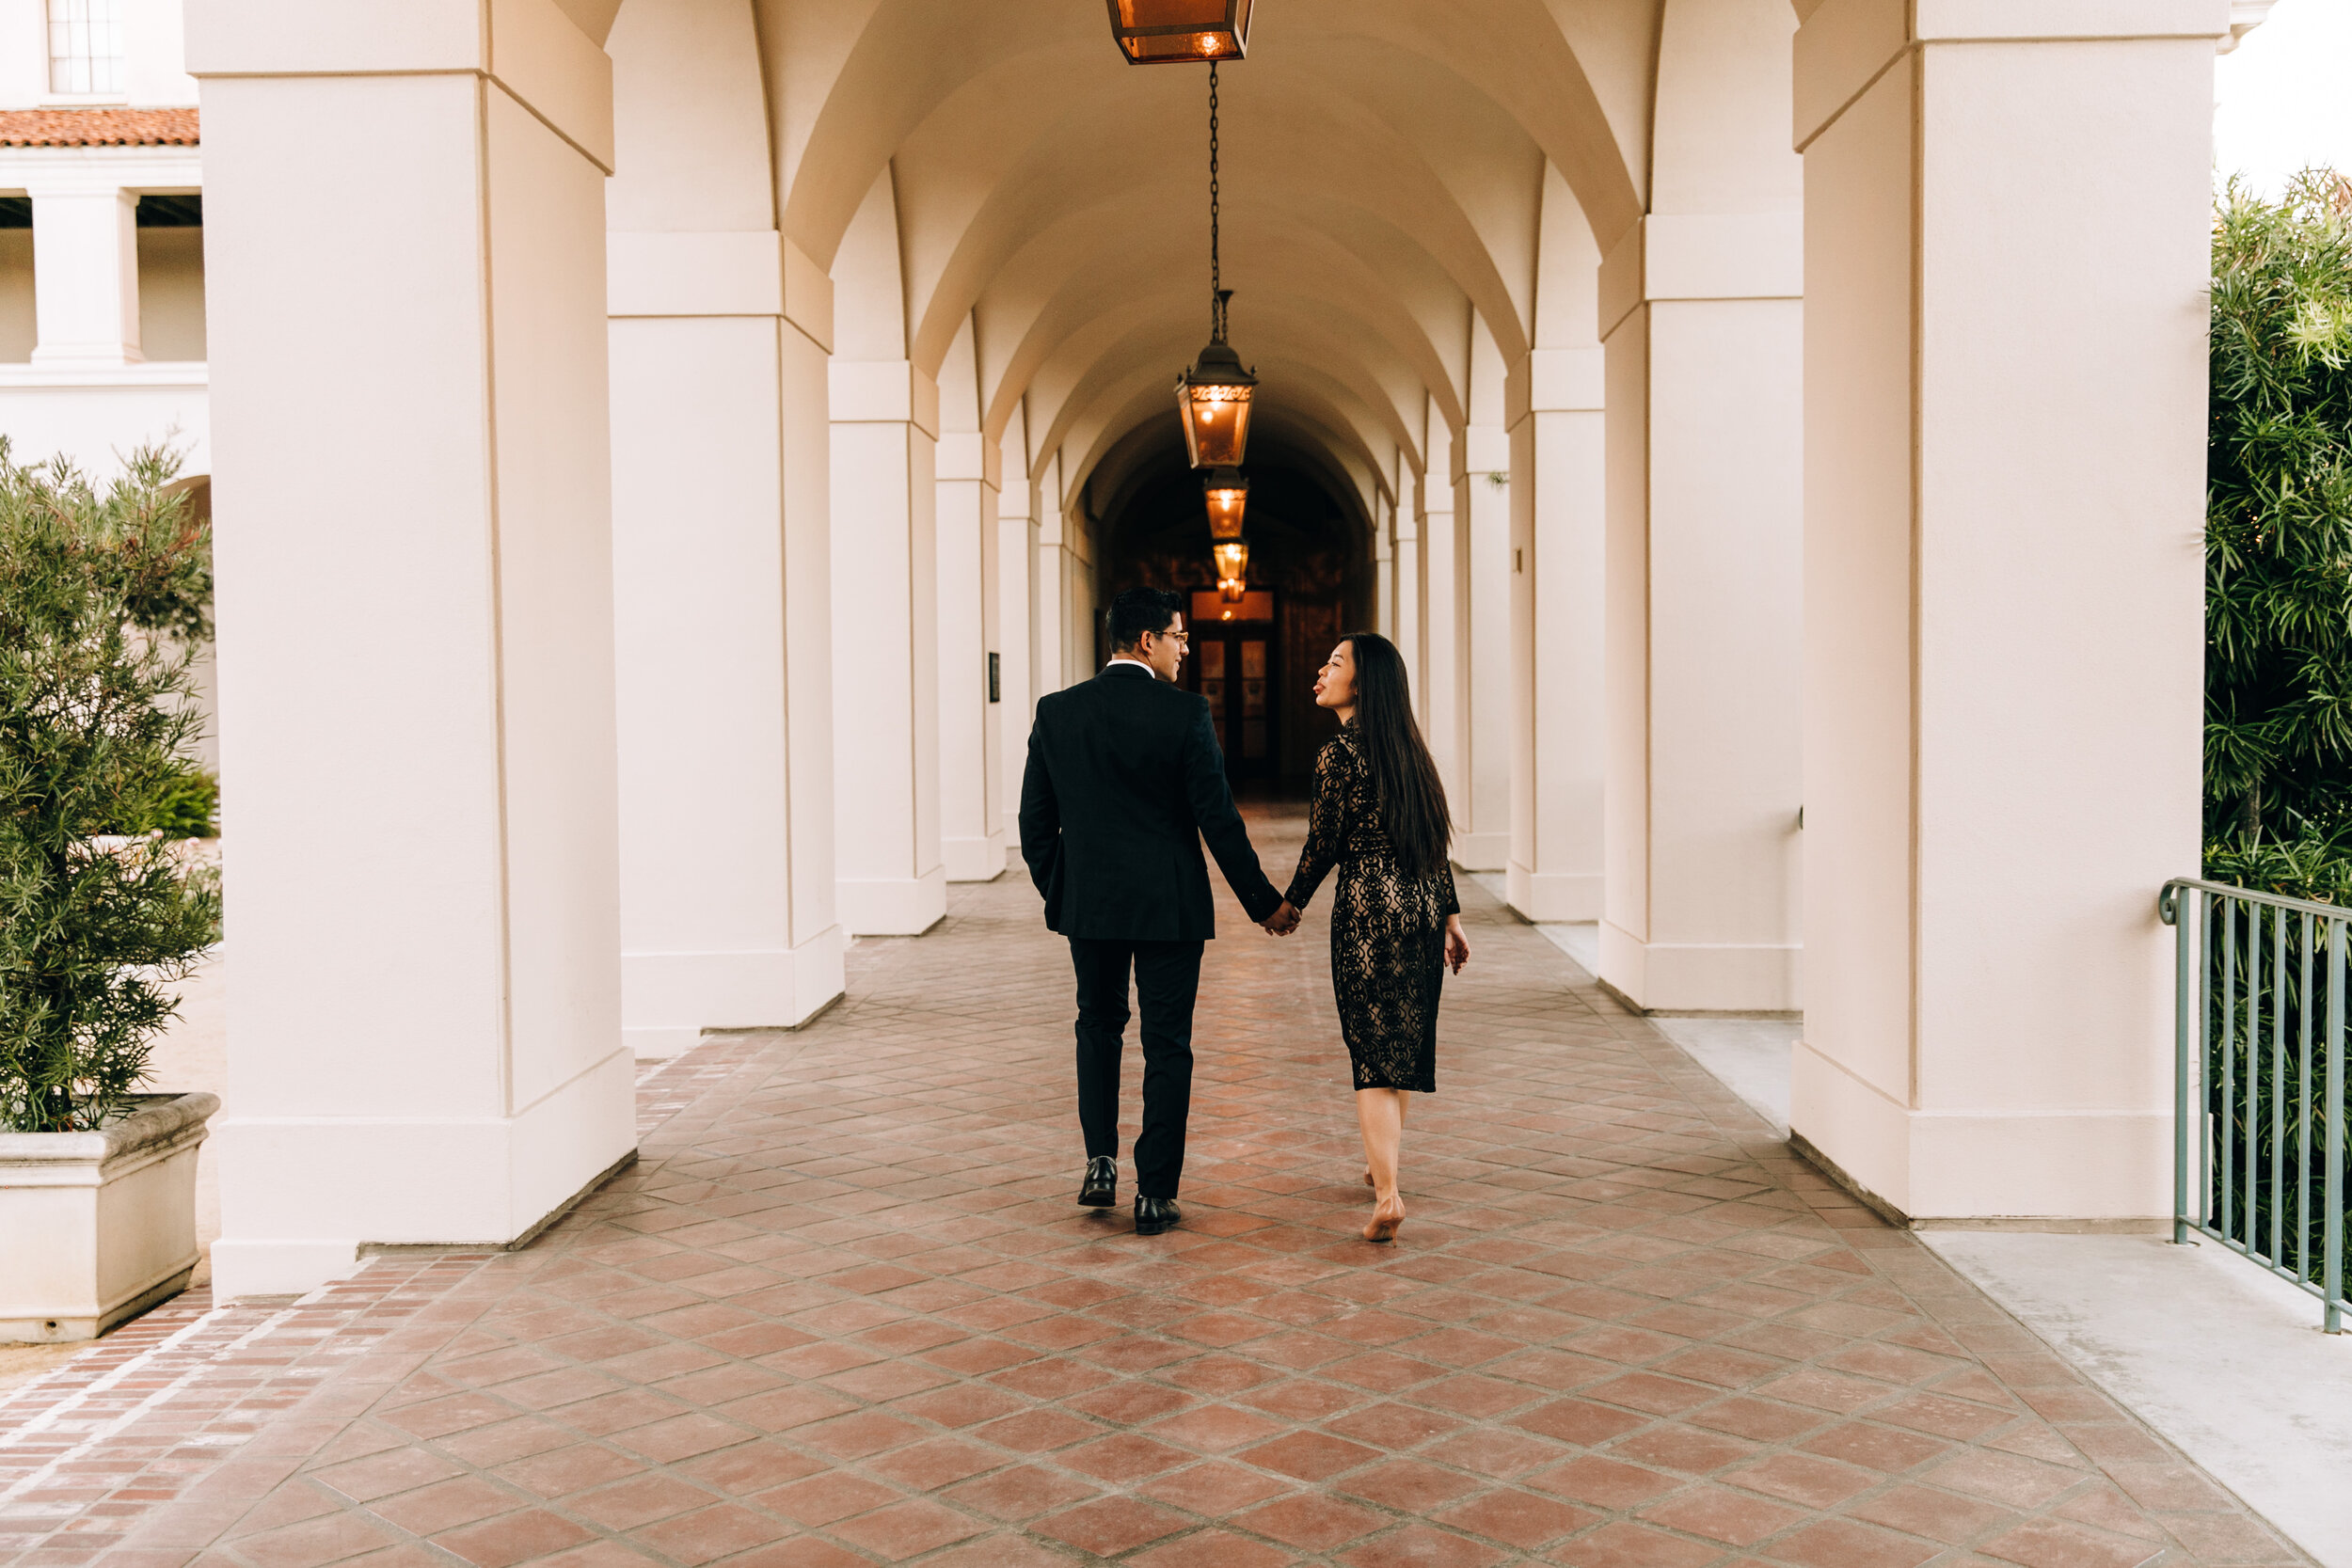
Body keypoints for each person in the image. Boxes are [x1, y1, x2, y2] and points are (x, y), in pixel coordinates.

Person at [1019, 586, 1293, 1236]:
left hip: (1091, 905)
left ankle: (1100, 1161)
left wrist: (1065, 890)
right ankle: (1155, 1193)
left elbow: (1035, 823)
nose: (1186, 649)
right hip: (1170, 905)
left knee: (1098, 1024)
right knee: (1167, 1042)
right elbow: (1218, 821)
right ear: (1148, 641)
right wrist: (1266, 903)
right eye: (1180, 637)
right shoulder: (1186, 714)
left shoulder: (1058, 713)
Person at [1264, 632, 1469, 1243]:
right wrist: (1452, 920)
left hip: (1369, 904)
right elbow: (1434, 838)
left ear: (1363, 682)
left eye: (1335, 662)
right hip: (1422, 905)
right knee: (1400, 1043)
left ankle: (1389, 1195)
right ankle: (1385, 1162)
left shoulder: (1339, 753)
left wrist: (1289, 903)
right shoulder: (1411, 751)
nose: (1321, 670)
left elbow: (1323, 843)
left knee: (1372, 1051)